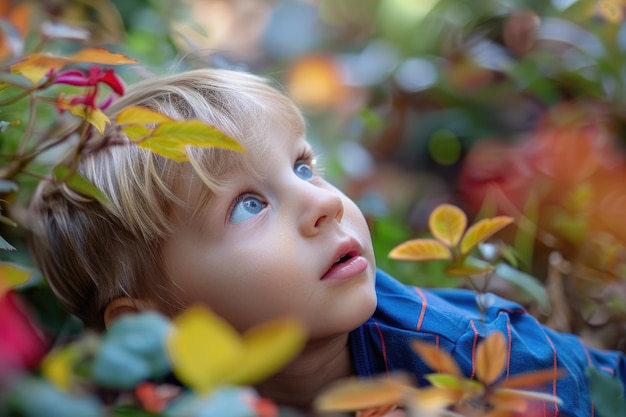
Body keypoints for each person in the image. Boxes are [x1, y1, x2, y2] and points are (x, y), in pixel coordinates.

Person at [27, 68, 626, 416]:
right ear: (151, 325)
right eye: (249, 204)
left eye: (304, 168)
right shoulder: (151, 399)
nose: (323, 202)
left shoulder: (483, 362)